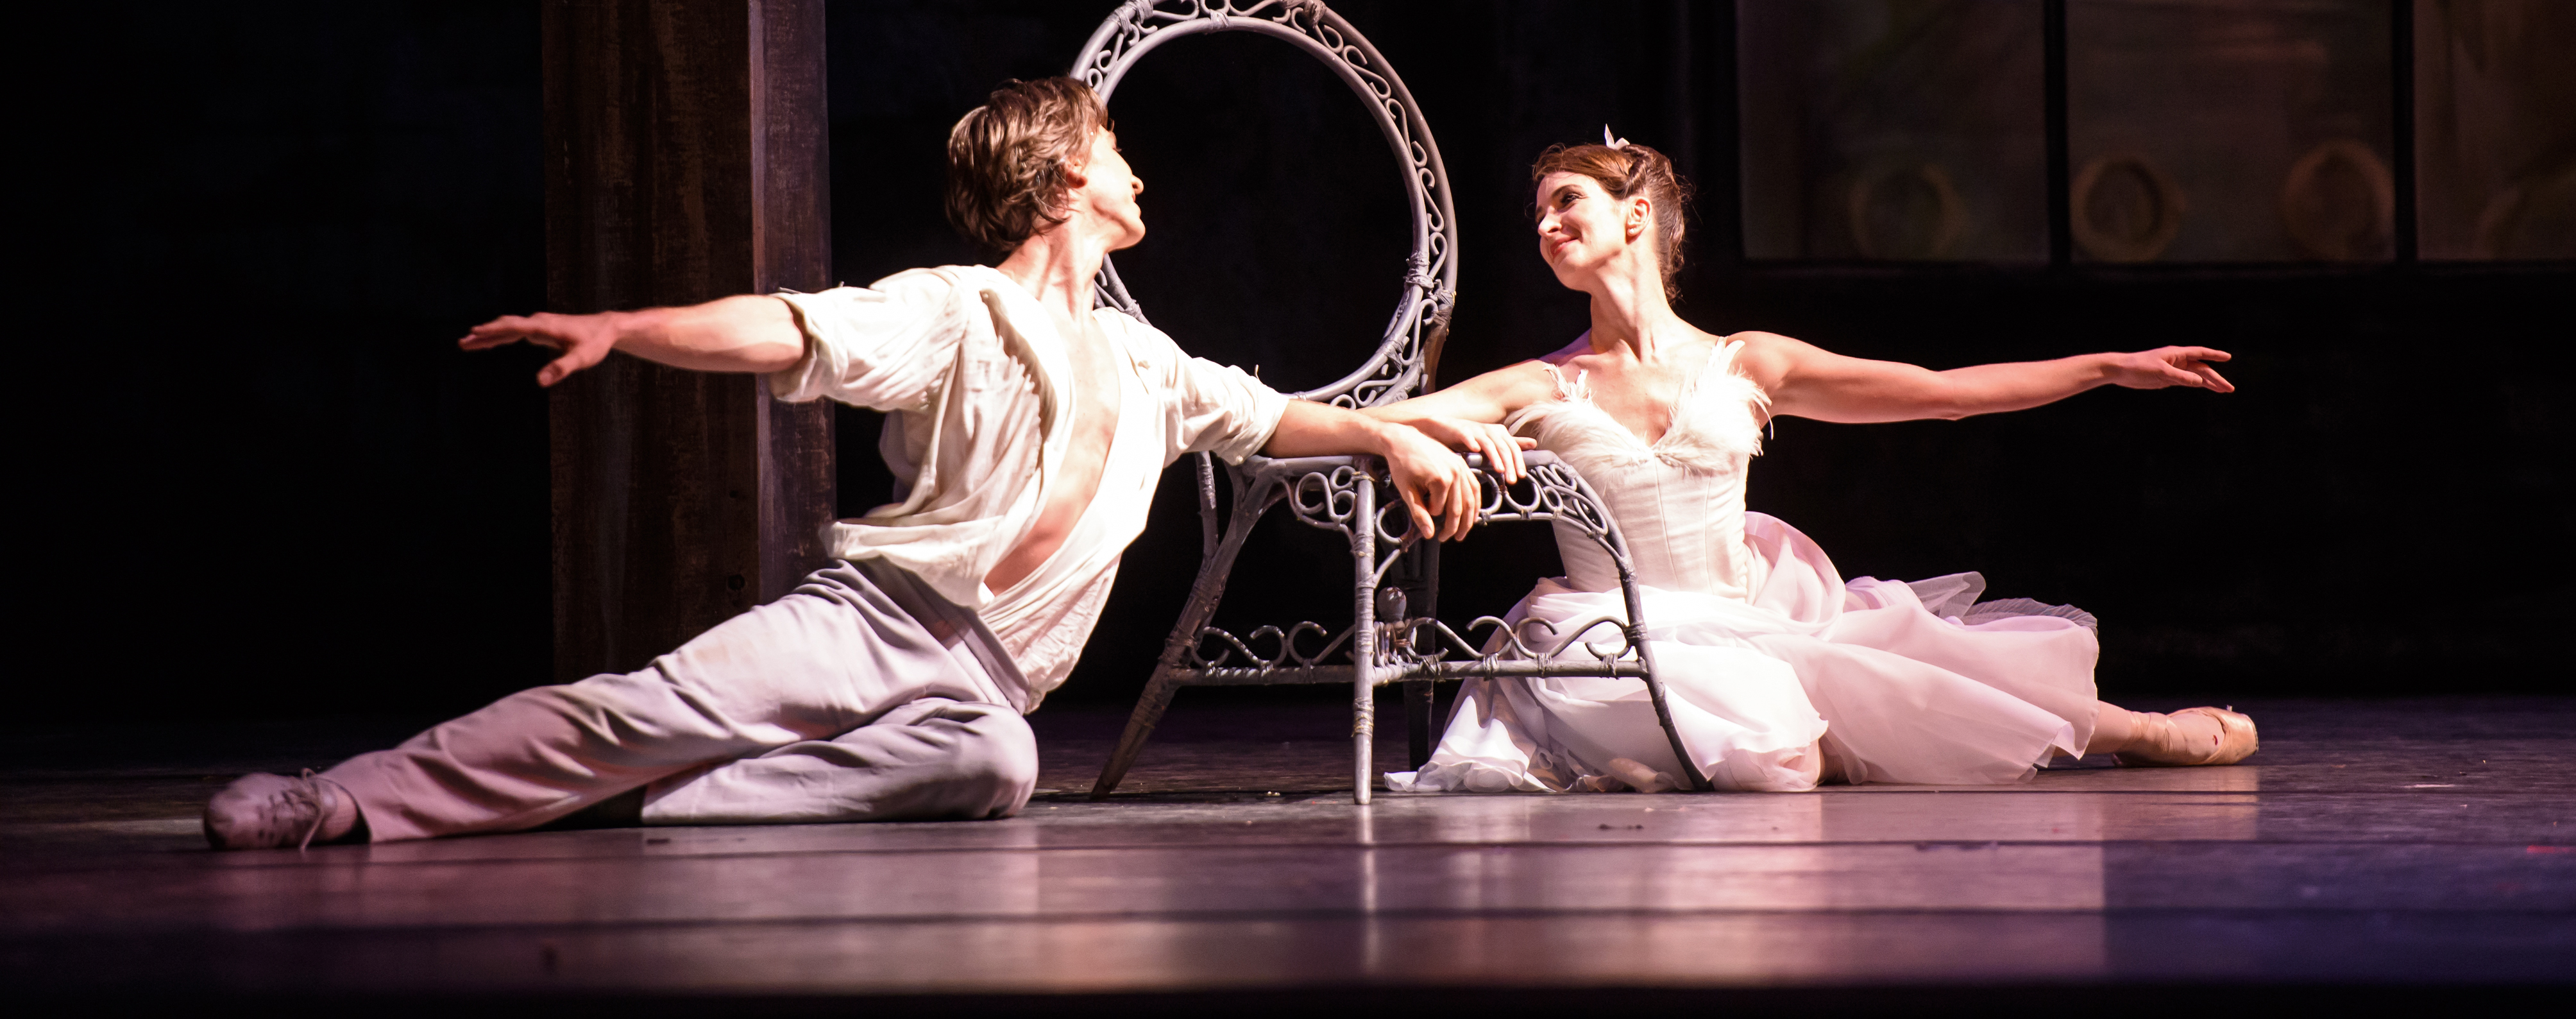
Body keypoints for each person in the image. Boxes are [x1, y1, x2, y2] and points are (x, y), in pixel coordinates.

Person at [203, 77, 1480, 849]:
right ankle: (342, 802)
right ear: (1062, 174)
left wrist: (1387, 431)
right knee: (637, 711)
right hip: (875, 621)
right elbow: (789, 327)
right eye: (1114, 147)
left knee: (999, 767)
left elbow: (1266, 416)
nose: (1137, 167)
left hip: (986, 688)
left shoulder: (1147, 362)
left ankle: (646, 805)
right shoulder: (959, 309)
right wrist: (626, 328)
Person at [1375, 137, 2257, 795]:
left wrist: (2105, 366)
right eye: (1538, 214)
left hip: (1743, 611)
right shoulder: (1538, 383)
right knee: (1777, 742)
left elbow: (1941, 393)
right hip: (1605, 632)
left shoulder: (1747, 361)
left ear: (1635, 215)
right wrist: (1420, 437)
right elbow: (1373, 426)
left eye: (1567, 201)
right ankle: (1760, 749)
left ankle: (2142, 732)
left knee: (1910, 671)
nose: (1545, 225)